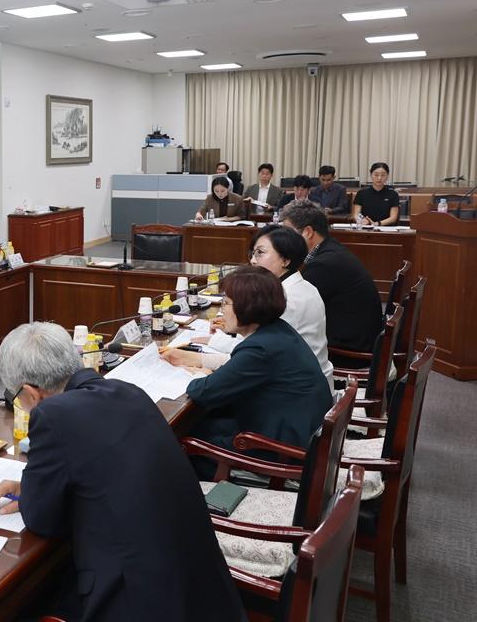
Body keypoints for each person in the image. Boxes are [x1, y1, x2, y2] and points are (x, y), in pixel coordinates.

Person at [0, 322, 243, 622]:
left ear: (31, 392)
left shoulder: (52, 415)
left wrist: (34, 490)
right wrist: (30, 485)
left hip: (138, 600)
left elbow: (42, 520)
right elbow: (104, 469)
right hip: (198, 588)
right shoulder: (127, 391)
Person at [179, 266, 333, 478]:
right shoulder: (278, 329)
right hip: (291, 431)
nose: (223, 310)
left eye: (226, 303)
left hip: (279, 452)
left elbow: (203, 392)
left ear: (247, 307)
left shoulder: (260, 348)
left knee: (176, 445)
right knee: (200, 424)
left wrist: (200, 372)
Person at [164, 225, 332, 383]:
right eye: (252, 253)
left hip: (294, 387)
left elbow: (251, 357)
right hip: (300, 378)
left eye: (260, 253)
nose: (252, 260)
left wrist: (199, 358)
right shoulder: (298, 286)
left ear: (286, 260)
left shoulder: (289, 299)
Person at [282, 200, 384, 353]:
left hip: (350, 347)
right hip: (359, 334)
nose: (284, 239)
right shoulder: (330, 249)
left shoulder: (325, 264)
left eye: (287, 232)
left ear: (308, 232)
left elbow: (294, 305)